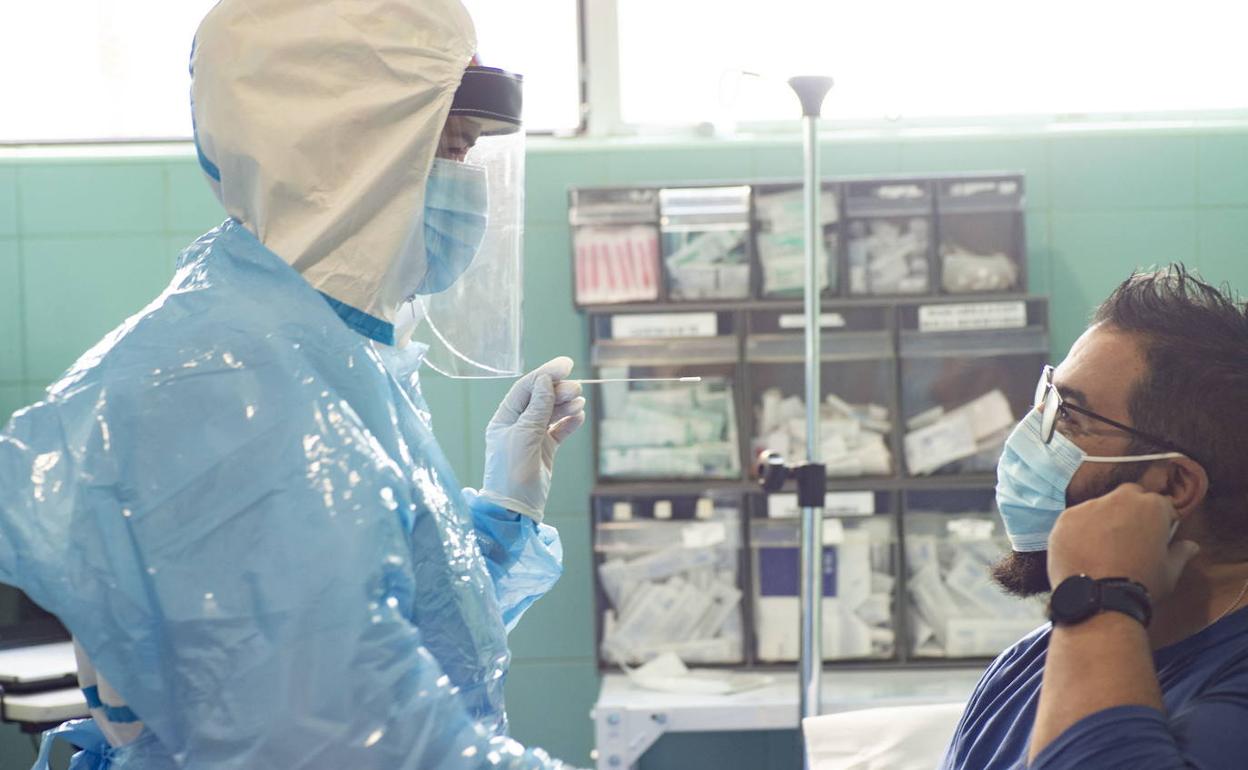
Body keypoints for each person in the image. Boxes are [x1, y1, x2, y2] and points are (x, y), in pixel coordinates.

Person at [1, 1, 588, 768]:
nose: (468, 188)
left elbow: (389, 640)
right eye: (450, 150)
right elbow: (352, 740)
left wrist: (505, 513)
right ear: (347, 154)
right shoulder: (227, 385)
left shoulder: (322, 353)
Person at [941, 264, 1248, 769]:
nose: (1028, 438)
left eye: (1071, 417)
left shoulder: (1229, 681)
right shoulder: (1030, 664)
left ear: (1174, 486)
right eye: (1048, 401)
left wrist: (1101, 595)